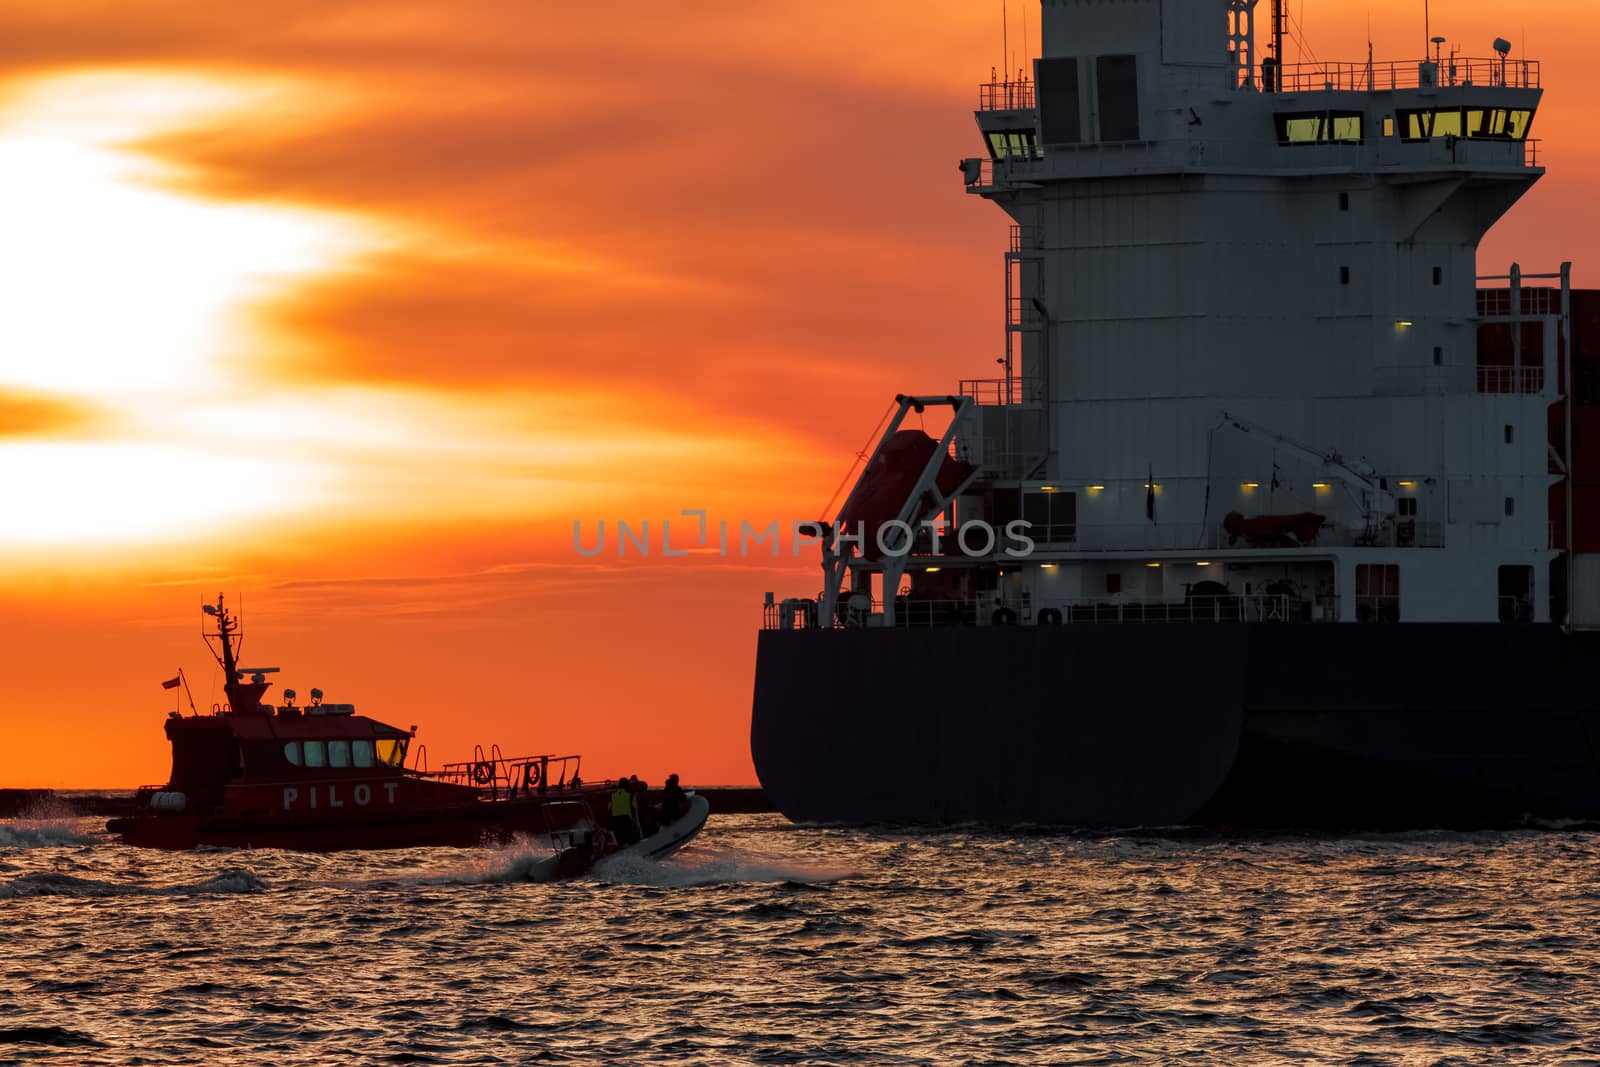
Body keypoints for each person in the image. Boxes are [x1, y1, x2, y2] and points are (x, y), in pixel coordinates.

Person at [608, 778, 639, 845]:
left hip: (616, 822)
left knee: (621, 844)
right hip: (627, 821)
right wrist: (637, 825)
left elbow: (609, 808)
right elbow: (635, 811)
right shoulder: (631, 795)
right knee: (631, 843)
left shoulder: (612, 795)